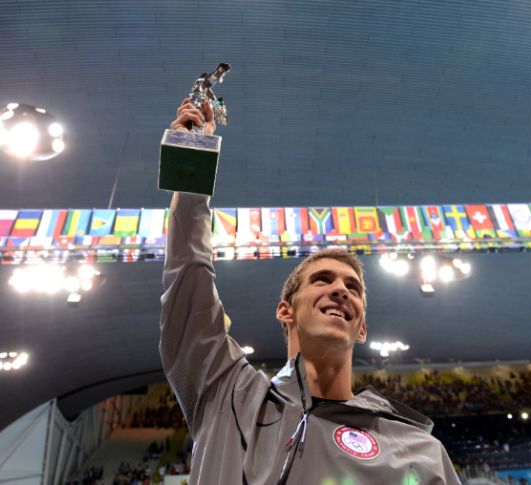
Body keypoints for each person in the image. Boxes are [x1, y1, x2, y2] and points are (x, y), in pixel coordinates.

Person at [159, 98, 460, 484]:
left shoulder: (420, 450)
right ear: (286, 311)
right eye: (323, 280)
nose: (340, 290)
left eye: (353, 287)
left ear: (362, 327)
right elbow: (188, 271)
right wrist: (192, 155)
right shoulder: (227, 393)